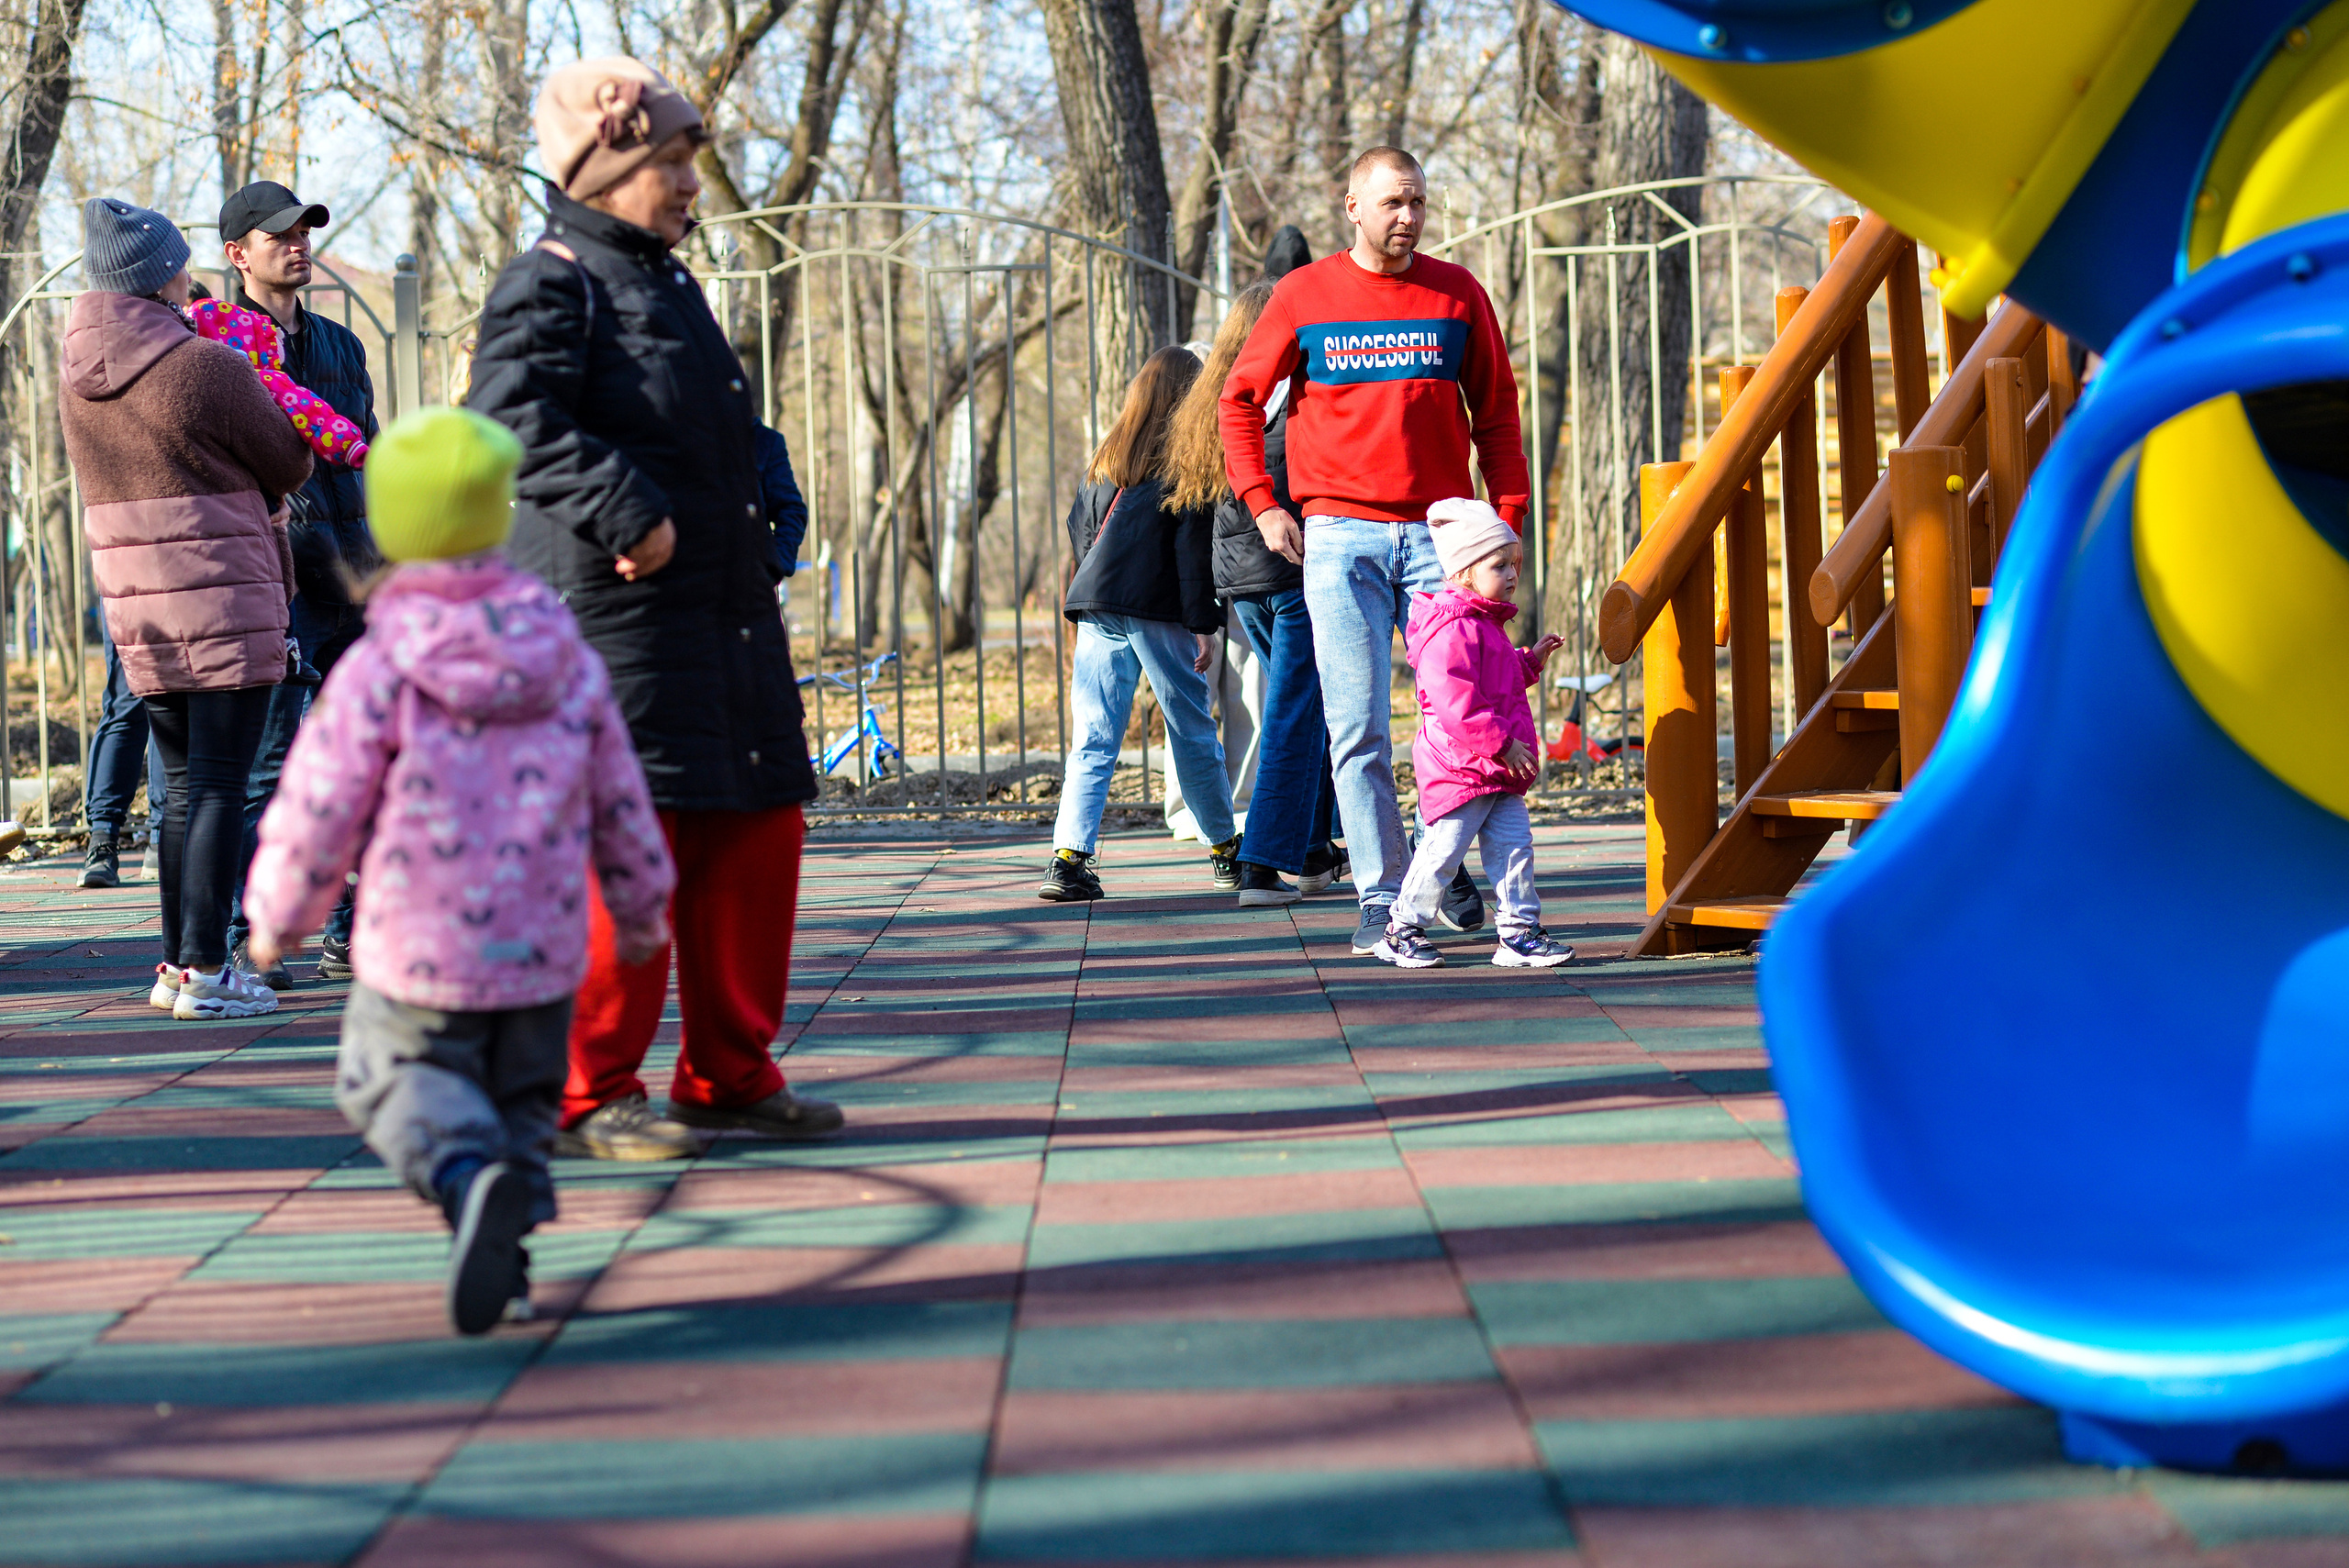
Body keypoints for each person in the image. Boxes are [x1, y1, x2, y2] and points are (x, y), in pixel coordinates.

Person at [468, 56, 837, 1162]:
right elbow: (509, 416)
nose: (689, 183)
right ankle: (590, 1090)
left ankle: (730, 1073)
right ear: (609, 164)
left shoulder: (663, 278)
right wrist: (627, 511)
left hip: (721, 617)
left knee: (756, 826)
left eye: (689, 161)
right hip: (615, 627)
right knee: (627, 852)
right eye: (671, 161)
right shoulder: (552, 278)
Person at [242, 408, 675, 1335]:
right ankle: (507, 1260)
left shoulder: (382, 664)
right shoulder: (564, 654)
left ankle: (461, 1175)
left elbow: (322, 803)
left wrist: (280, 914)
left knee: (380, 1072)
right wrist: (642, 908)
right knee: (521, 1103)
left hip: (418, 942)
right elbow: (619, 794)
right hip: (542, 945)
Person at [1219, 146, 1531, 957]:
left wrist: (1506, 520)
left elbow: (1496, 414)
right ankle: (1381, 892)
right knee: (1355, 729)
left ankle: (1449, 863)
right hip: (1338, 539)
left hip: (1441, 538)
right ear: (1351, 205)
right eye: (1393, 201)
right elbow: (1239, 402)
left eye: (1419, 202)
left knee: (1462, 718)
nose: (1408, 216)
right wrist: (1263, 504)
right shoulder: (1303, 295)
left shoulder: (1457, 293)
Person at [60, 196, 312, 1020]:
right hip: (222, 592)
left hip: (140, 605)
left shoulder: (79, 378)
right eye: (178, 260)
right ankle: (207, 971)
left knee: (178, 787)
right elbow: (287, 458)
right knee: (217, 785)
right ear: (159, 273)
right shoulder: (204, 364)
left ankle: (176, 964)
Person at [216, 180, 380, 988]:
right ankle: (256, 937)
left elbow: (371, 456)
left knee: (363, 761)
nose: (299, 243)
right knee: (267, 767)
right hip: (277, 580)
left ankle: (348, 931)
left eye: (306, 230)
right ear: (237, 255)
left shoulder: (344, 348)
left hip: (358, 578)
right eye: (280, 234)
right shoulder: (220, 353)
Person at [1164, 278, 1346, 908]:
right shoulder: (1295, 395)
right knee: (1294, 712)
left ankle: (1315, 850)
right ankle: (1263, 863)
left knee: (1305, 707)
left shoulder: (1215, 401)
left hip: (1241, 581)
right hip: (1290, 573)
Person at [1040, 346, 1238, 902]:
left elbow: (1081, 533)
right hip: (1157, 612)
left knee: (1094, 737)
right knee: (1192, 730)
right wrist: (1204, 624)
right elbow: (1191, 556)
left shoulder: (1108, 456)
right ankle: (1225, 851)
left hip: (1098, 606)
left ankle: (1068, 860)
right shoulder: (1187, 463)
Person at [1378, 498, 1575, 970]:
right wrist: (1503, 744)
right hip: (1463, 767)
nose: (1511, 574)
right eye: (1499, 564)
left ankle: (1519, 932)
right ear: (1464, 571)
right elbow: (1455, 704)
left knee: (1513, 849)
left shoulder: (1483, 623)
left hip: (1493, 766)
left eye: (1514, 564)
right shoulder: (1451, 629)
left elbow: (1493, 681)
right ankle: (1402, 927)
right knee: (1442, 852)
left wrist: (1529, 662)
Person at [190, 297, 372, 467]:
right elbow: (316, 418)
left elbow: (369, 427)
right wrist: (350, 445)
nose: (279, 341)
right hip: (281, 494)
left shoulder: (343, 342)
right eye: (271, 337)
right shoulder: (269, 381)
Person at [79, 620, 166, 888]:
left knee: (164, 704)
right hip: (131, 590)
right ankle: (105, 840)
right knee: (139, 702)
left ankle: (160, 840)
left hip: (133, 588)